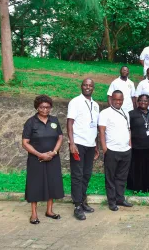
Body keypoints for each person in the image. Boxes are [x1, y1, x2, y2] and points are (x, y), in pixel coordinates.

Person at [22, 95, 64, 224]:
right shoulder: (31, 122)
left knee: (52, 182)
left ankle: (49, 211)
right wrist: (39, 154)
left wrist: (54, 152)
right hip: (36, 159)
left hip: (53, 158)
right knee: (35, 184)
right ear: (37, 107)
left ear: (50, 107)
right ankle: (34, 214)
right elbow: (25, 143)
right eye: (41, 107)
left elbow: (60, 137)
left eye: (47, 107)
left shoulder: (54, 120)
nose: (45, 110)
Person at [67, 78, 100, 221]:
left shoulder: (96, 105)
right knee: (77, 175)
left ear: (93, 88)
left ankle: (83, 200)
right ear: (81, 86)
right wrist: (72, 143)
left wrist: (96, 145)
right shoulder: (75, 102)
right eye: (85, 85)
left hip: (90, 145)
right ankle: (77, 205)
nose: (87, 87)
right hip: (78, 144)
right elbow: (69, 123)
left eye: (90, 85)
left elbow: (96, 127)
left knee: (86, 174)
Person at [99, 90, 133, 211]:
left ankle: (120, 198)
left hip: (125, 150)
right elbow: (102, 131)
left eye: (120, 100)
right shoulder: (105, 113)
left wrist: (130, 143)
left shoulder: (125, 112)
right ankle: (112, 201)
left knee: (122, 177)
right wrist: (104, 148)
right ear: (111, 99)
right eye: (116, 99)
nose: (118, 102)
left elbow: (128, 129)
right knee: (110, 177)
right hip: (112, 150)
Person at [126, 94, 149, 193]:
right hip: (136, 146)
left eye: (146, 101)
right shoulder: (131, 114)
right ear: (137, 102)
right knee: (136, 168)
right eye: (141, 100)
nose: (143, 102)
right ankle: (136, 187)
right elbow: (128, 129)